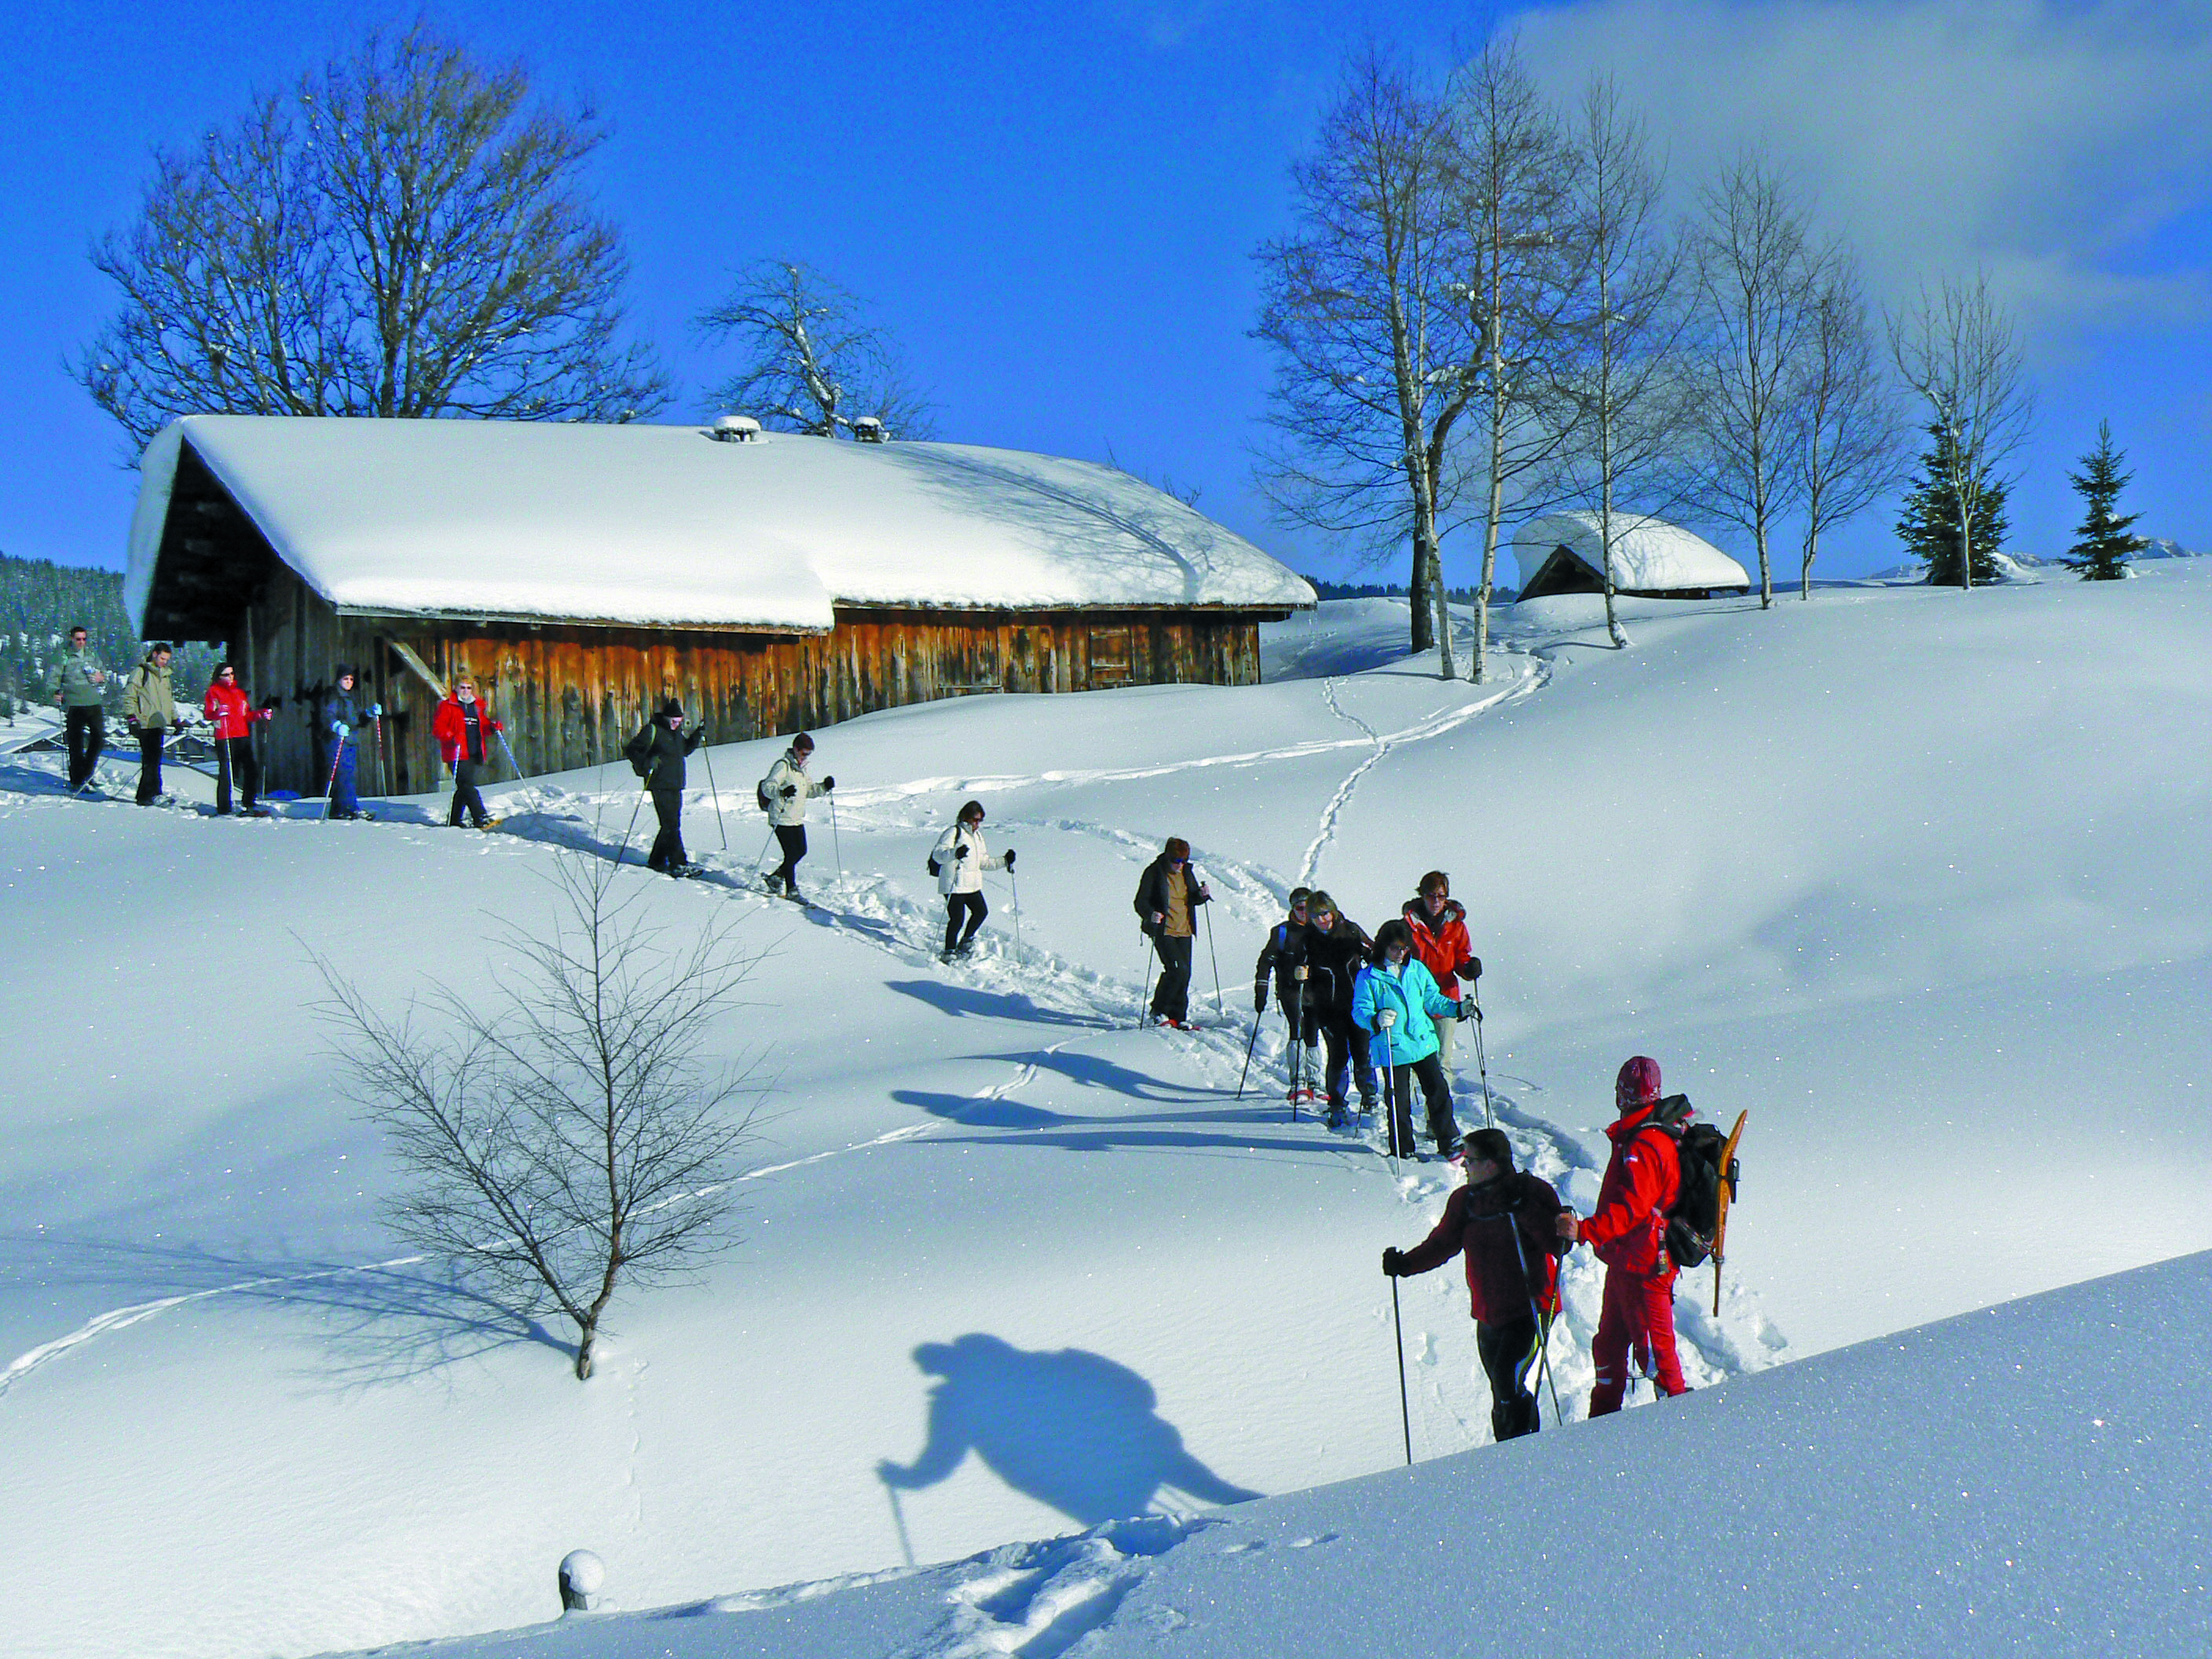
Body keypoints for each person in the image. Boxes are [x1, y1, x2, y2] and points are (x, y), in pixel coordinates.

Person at [1385, 1127, 1569, 1442]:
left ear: (1491, 1164)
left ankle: (1523, 1452)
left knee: (1506, 1384)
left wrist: (1523, 1208)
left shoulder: (1531, 1191)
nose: (1464, 1166)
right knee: (1502, 1391)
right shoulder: (1465, 1201)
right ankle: (1514, 1452)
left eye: (1470, 1160)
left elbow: (1559, 1245)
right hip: (1489, 1316)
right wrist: (1405, 1265)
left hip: (1531, 1311)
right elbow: (1442, 1244)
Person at [1556, 1055, 1690, 1415]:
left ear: (1623, 1094)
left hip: (1646, 1263)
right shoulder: (1647, 1132)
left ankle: (1683, 1418)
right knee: (1610, 1344)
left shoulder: (1646, 1142)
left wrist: (1584, 1231)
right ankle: (1603, 1421)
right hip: (1626, 1259)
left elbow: (1633, 1209)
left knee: (1657, 1352)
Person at [1353, 917, 1469, 1158]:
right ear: (1383, 946)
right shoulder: (1369, 976)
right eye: (1395, 948)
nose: (1400, 953)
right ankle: (1402, 1148)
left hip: (1421, 1042)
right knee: (1398, 1102)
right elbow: (1359, 1010)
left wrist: (1458, 1009)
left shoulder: (1416, 969)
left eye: (1405, 948)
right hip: (1393, 1046)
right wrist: (1375, 1019)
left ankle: (1449, 1141)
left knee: (1438, 1091)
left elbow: (1433, 999)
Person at [1299, 890, 1375, 1126]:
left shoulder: (1350, 930)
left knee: (1362, 1052)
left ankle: (1369, 1096)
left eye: (1325, 913)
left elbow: (1372, 952)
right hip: (1327, 1007)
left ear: (1332, 910)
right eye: (1316, 916)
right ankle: (1337, 1103)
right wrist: (1301, 978)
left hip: (1357, 1003)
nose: (1322, 919)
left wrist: (1373, 959)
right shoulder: (1307, 938)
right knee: (1338, 1056)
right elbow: (1297, 965)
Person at [1403, 872, 1481, 1068]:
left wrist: (1468, 968)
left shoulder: (1456, 926)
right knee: (1413, 1058)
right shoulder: (1409, 925)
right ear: (1422, 895)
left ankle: (1441, 1099)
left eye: (1441, 896)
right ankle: (1413, 1100)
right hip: (1416, 1000)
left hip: (1446, 997)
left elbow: (1460, 957)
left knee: (1442, 1059)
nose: (1436, 901)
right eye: (1431, 895)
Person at [1133, 837, 1210, 1028]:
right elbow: (1140, 902)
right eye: (1176, 861)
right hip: (1164, 930)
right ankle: (1158, 1010)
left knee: (1185, 973)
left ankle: (1179, 1016)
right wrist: (1151, 914)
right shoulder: (1154, 872)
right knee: (1176, 969)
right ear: (1168, 857)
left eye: (1183, 861)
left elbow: (1193, 898)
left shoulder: (1187, 873)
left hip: (1184, 929)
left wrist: (1202, 895)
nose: (1180, 865)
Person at [1254, 888, 1320, 1104]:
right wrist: (1261, 990)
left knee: (1313, 1033)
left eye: (1309, 908)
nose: (1305, 913)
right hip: (1290, 989)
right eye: (1300, 908)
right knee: (1297, 1029)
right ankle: (1297, 1081)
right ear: (1293, 909)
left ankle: (1315, 1081)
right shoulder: (1282, 932)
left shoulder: (1320, 930)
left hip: (1315, 989)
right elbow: (1266, 961)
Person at [625, 698, 705, 873]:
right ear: (666, 718)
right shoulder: (652, 730)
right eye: (674, 721)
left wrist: (697, 735)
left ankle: (657, 860)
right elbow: (631, 750)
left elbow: (684, 750)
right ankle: (679, 863)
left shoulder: (676, 733)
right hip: (659, 783)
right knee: (671, 824)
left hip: (676, 784)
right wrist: (648, 761)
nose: (677, 724)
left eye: (680, 721)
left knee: (671, 823)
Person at [931, 799, 1013, 961]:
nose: (978, 824)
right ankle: (948, 952)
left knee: (981, 912)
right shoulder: (953, 833)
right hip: (954, 884)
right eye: (975, 820)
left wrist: (1005, 860)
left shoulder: (978, 837)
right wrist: (955, 853)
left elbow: (983, 862)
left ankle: (965, 942)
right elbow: (938, 855)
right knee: (957, 919)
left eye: (980, 820)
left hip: (972, 885)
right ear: (965, 817)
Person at [761, 732, 832, 899]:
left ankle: (776, 877)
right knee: (791, 853)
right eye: (803, 753)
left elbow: (809, 790)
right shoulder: (783, 766)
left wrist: (824, 787)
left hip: (796, 817)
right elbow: (767, 786)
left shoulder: (801, 770)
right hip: (781, 815)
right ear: (796, 749)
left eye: (808, 754)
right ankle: (791, 890)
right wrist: (781, 791)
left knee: (801, 851)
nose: (805, 757)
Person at [433, 677, 506, 831]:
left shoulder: (477, 706)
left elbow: (482, 726)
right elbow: (438, 728)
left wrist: (492, 728)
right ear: (455, 688)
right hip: (457, 753)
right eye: (462, 687)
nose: (465, 691)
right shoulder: (448, 706)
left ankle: (454, 821)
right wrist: (451, 736)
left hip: (473, 752)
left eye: (468, 688)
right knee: (468, 785)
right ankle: (480, 818)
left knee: (463, 787)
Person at [200, 661, 272, 816]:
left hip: (242, 735)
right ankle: (224, 806)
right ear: (219, 677)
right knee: (228, 772)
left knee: (251, 768)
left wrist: (260, 714)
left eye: (232, 674)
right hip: (225, 736)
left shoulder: (239, 693)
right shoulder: (214, 691)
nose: (230, 677)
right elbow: (208, 713)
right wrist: (218, 712)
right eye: (226, 675)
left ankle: (249, 802)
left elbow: (246, 714)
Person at [318, 667, 376, 820]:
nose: (349, 682)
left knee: (347, 774)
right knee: (344, 774)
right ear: (339, 680)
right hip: (336, 739)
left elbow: (356, 719)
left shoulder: (350, 697)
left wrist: (369, 714)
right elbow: (326, 714)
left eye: (351, 679)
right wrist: (335, 726)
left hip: (350, 740)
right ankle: (350, 808)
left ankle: (339, 810)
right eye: (346, 679)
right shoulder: (332, 694)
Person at [122, 642, 176, 806]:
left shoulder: (165, 676)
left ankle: (149, 794)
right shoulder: (141, 672)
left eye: (167, 659)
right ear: (154, 654)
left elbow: (168, 700)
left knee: (155, 760)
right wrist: (131, 717)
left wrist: (175, 719)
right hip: (144, 722)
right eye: (162, 658)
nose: (164, 662)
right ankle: (149, 795)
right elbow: (129, 695)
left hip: (159, 723)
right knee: (150, 761)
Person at [55, 624, 107, 793]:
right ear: (71, 639)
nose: (81, 642)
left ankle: (87, 773)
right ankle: (78, 779)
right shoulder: (64, 657)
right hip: (74, 703)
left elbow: (103, 673)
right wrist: (55, 692)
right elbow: (53, 677)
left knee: (98, 738)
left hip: (93, 702)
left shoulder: (92, 655)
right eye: (78, 639)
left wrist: (101, 677)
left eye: (84, 639)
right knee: (75, 743)